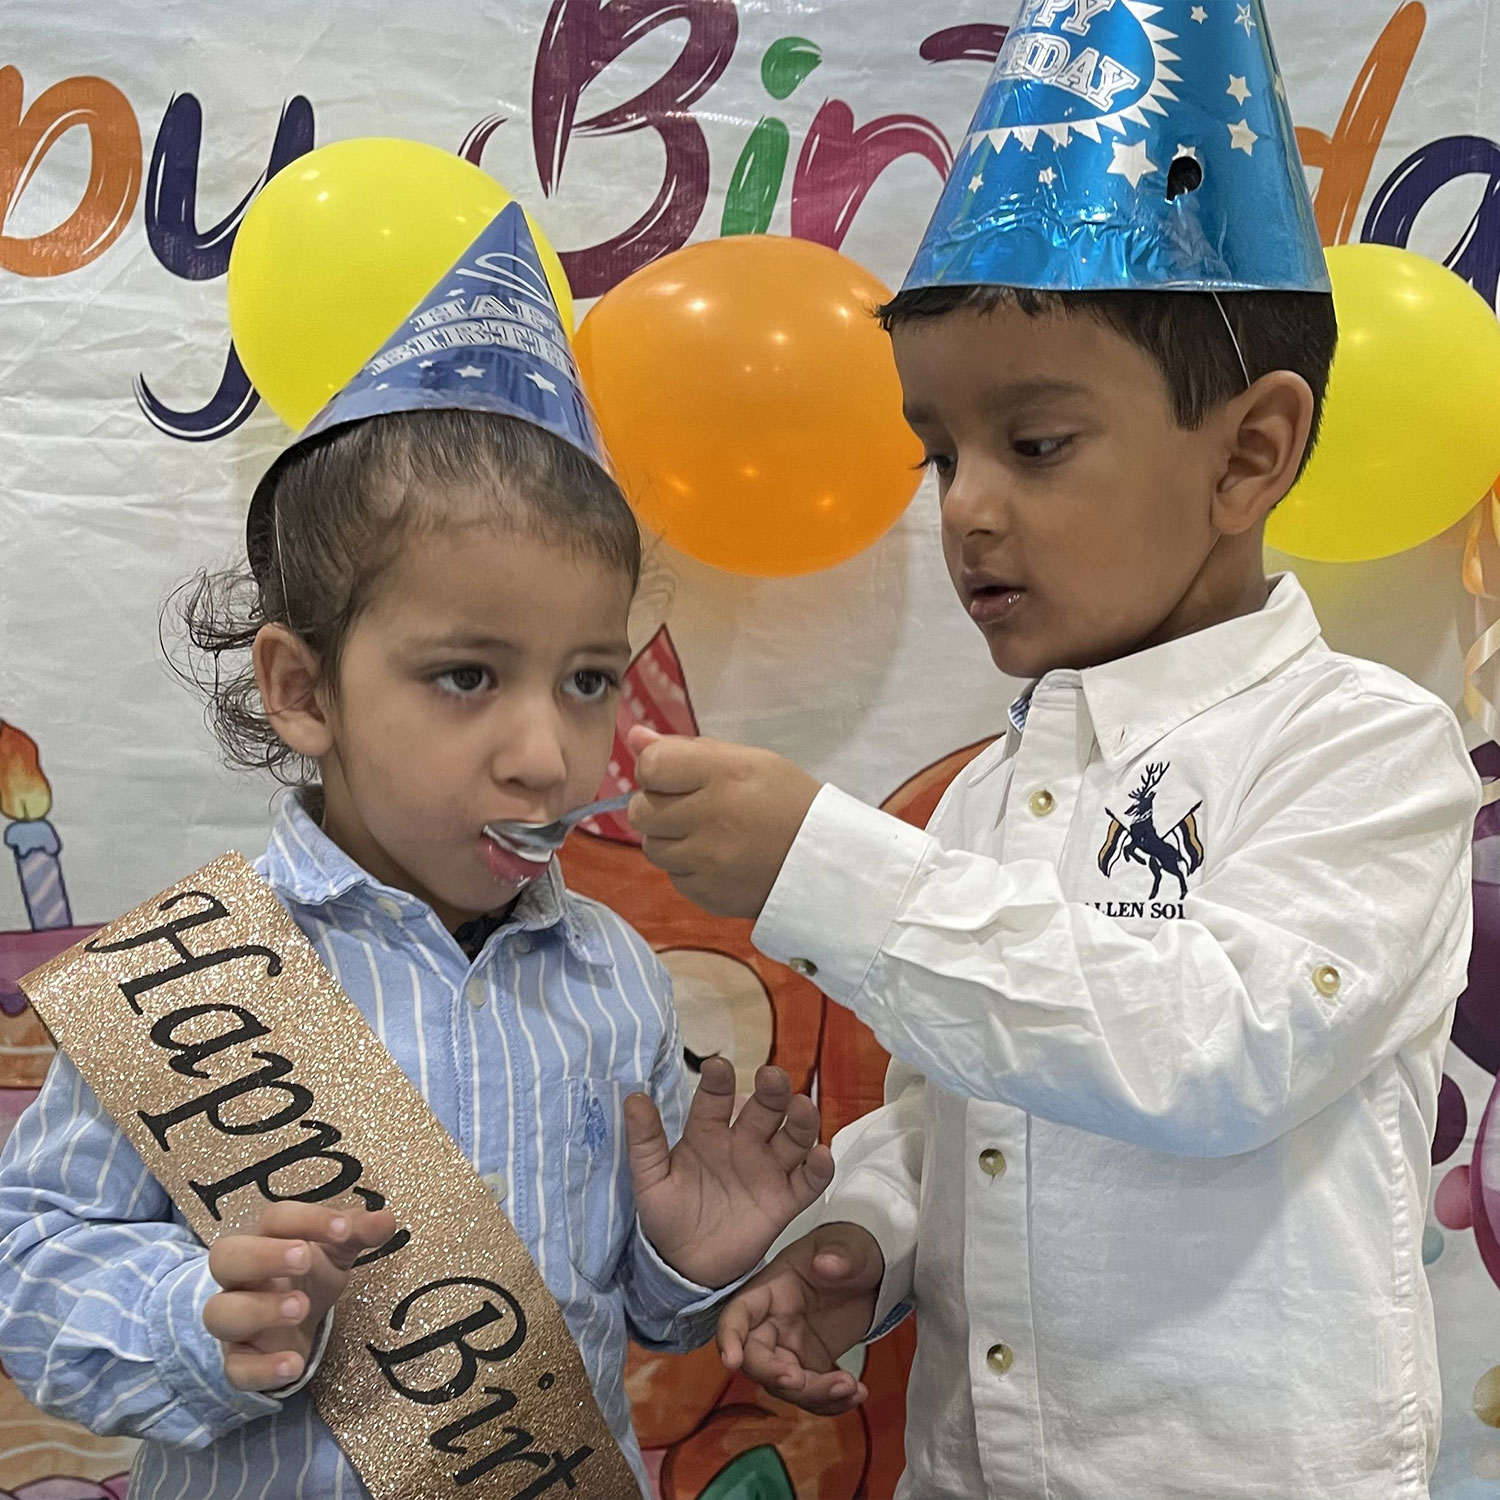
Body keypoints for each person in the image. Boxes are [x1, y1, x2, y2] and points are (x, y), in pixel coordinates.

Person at [625, 3, 1481, 1496]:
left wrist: (829, 867)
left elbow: (1220, 1046)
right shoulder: (980, 799)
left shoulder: (1367, 750)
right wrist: (863, 1241)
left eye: (1034, 444)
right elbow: (959, 1114)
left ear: (1250, 453)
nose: (963, 507)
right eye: (938, 453)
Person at [0, 204, 833, 1500]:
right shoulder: (185, 972)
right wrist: (196, 1316)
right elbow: (33, 1268)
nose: (547, 755)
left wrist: (682, 1258)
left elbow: (633, 1320)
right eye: (465, 675)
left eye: (588, 681)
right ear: (302, 689)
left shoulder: (612, 972)